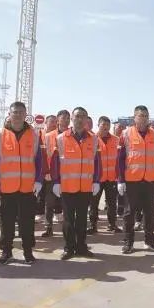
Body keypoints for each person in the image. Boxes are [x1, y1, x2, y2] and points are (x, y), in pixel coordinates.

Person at [0, 101, 44, 264]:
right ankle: (6, 252)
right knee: (7, 222)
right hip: (7, 187)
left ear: (26, 114)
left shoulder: (34, 135)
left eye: (21, 112)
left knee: (27, 222)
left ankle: (28, 251)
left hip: (28, 187)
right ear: (9, 114)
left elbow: (39, 160)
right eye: (15, 112)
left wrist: (38, 180)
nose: (18, 115)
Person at [51, 107, 101, 260]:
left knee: (82, 219)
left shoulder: (93, 139)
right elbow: (55, 162)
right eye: (77, 116)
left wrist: (96, 181)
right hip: (67, 186)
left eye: (83, 116)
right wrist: (56, 181)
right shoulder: (61, 138)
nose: (80, 119)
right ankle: (69, 248)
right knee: (68, 220)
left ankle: (81, 247)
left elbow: (97, 162)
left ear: (87, 119)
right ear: (72, 118)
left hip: (85, 187)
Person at [117, 106, 154, 254]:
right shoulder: (126, 134)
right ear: (134, 118)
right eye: (140, 115)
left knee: (150, 212)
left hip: (150, 180)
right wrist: (120, 180)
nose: (143, 118)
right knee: (129, 213)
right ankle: (128, 242)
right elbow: (120, 159)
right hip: (132, 180)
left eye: (145, 116)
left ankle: (149, 241)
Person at [90, 116, 122, 234]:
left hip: (111, 178)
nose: (105, 127)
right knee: (94, 203)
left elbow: (120, 159)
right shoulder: (92, 139)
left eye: (108, 125)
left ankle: (112, 224)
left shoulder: (116, 140)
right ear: (98, 125)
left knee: (112, 203)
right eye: (103, 125)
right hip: (96, 178)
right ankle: (93, 225)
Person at [41, 109, 69, 237]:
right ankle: (48, 227)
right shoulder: (49, 136)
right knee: (49, 202)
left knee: (67, 202)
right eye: (63, 118)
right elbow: (45, 155)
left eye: (68, 118)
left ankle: (68, 228)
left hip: (68, 174)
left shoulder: (71, 134)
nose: (66, 120)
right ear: (58, 120)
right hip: (52, 174)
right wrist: (46, 171)